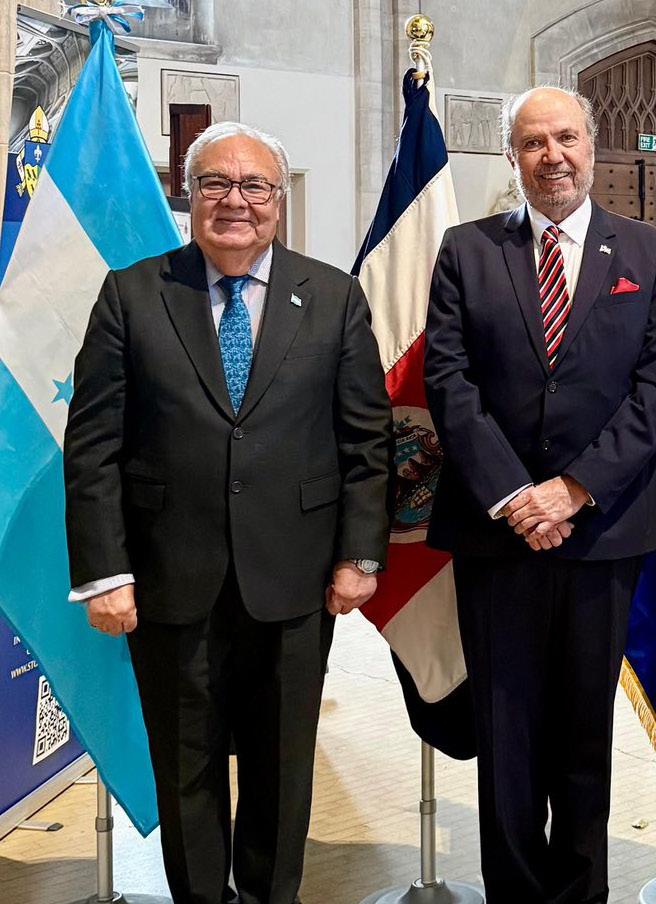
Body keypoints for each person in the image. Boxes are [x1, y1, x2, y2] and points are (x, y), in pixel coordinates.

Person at [64, 121, 392, 904]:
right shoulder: (133, 293)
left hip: (295, 580)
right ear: (189, 194)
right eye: (215, 183)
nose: (235, 200)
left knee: (283, 769)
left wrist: (360, 555)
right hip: (170, 580)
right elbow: (94, 445)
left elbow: (367, 439)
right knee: (187, 771)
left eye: (254, 186)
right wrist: (105, 571)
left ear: (279, 200)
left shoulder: (334, 296)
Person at [423, 86, 656, 902]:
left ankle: (579, 893)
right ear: (512, 156)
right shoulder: (466, 251)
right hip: (496, 534)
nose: (553, 157)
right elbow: (449, 382)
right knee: (505, 732)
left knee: (582, 731)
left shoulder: (649, 254)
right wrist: (515, 496)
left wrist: (573, 490)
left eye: (566, 138)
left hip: (603, 532)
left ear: (592, 146)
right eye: (533, 143)